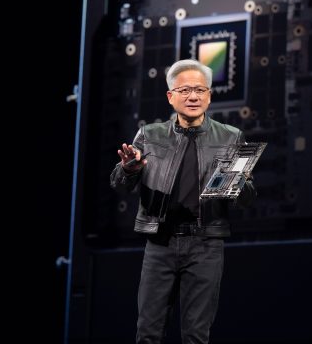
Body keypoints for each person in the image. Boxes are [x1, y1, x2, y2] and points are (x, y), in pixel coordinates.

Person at [110, 59, 257, 344]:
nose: (193, 97)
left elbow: (247, 200)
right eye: (185, 90)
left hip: (206, 244)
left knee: (196, 335)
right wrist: (128, 169)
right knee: (148, 332)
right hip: (160, 242)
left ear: (209, 95)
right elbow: (119, 184)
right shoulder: (149, 135)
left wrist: (238, 182)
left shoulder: (231, 137)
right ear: (171, 96)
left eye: (200, 90)